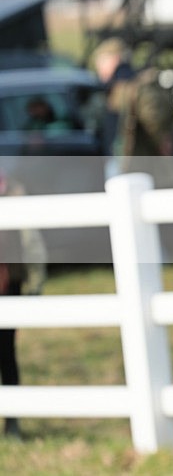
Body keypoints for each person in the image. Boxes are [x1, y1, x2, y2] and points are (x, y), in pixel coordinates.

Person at [0, 169, 47, 438]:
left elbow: (31, 240)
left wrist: (35, 282)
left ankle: (12, 422)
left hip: (8, 284)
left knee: (6, 352)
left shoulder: (14, 191)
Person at [93, 38, 173, 179]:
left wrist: (160, 141)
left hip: (131, 160)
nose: (98, 68)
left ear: (115, 59)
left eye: (101, 62)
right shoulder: (120, 84)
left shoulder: (126, 84)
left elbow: (153, 118)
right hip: (126, 159)